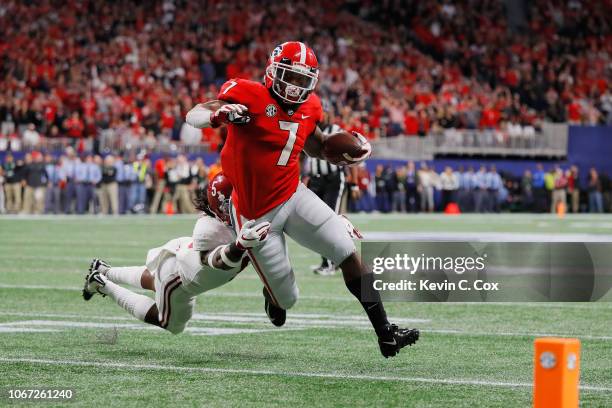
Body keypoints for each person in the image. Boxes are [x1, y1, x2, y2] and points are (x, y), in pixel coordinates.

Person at [186, 41, 418, 358]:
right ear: (272, 71)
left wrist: (347, 153)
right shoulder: (248, 93)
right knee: (287, 300)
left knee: (347, 250)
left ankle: (385, 331)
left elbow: (318, 146)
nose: (295, 86)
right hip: (257, 217)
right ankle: (273, 294)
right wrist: (219, 115)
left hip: (293, 194)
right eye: (289, 77)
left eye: (302, 80)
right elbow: (194, 113)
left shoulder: (311, 107)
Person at [83, 174, 269, 334]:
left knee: (154, 280)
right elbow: (218, 261)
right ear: (224, 206)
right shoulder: (209, 229)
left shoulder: (230, 219)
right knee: (171, 324)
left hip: (181, 259)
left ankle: (104, 270)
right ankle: (103, 285)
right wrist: (239, 246)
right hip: (181, 277)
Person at [303, 102, 349, 275]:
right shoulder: (308, 127)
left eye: (325, 112)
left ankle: (333, 263)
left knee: (329, 221)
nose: (322, 116)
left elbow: (347, 155)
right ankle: (326, 262)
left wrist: (355, 183)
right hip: (315, 180)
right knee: (315, 221)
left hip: (333, 179)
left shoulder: (336, 129)